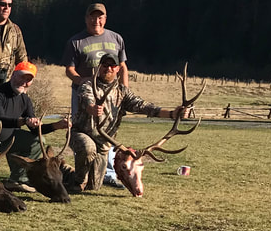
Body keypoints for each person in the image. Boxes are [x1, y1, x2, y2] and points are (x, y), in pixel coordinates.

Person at [68, 53, 185, 192]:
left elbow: (144, 106)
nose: (108, 69)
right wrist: (92, 108)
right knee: (88, 149)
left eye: (112, 66)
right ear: (99, 67)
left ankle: (64, 172)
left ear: (118, 69)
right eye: (105, 65)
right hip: (80, 133)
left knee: (94, 187)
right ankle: (77, 183)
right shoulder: (88, 85)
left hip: (103, 144)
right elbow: (87, 99)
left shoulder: (122, 92)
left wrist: (172, 114)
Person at [0, 61, 70, 192]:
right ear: (13, 75)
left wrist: (57, 125)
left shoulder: (25, 100)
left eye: (28, 79)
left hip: (7, 141)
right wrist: (24, 121)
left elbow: (35, 129)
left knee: (36, 141)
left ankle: (17, 180)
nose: (24, 82)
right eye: (22, 77)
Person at [61, 2, 129, 115]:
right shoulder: (75, 42)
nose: (96, 21)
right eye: (92, 17)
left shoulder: (116, 38)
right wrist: (82, 81)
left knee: (108, 127)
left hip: (110, 92)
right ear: (86, 19)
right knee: (80, 127)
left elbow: (122, 67)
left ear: (105, 19)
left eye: (100, 18)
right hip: (84, 94)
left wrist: (124, 92)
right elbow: (69, 70)